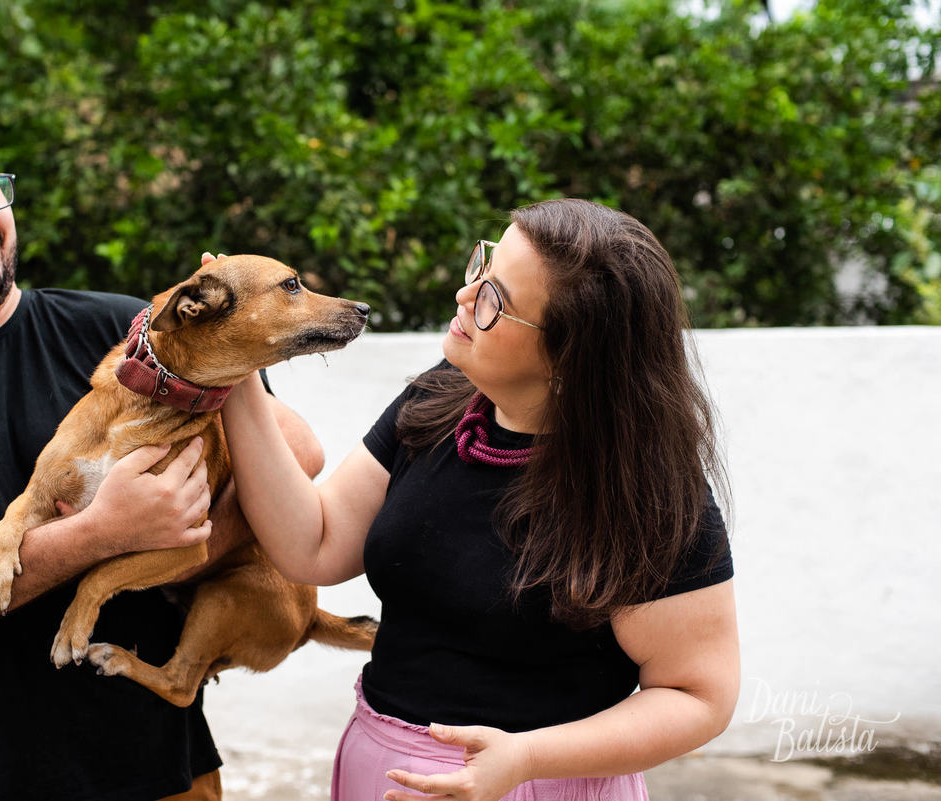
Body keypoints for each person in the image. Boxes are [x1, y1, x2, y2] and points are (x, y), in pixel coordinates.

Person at [0, 99, 323, 801]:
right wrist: (105, 534)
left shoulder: (122, 329)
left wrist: (190, 541)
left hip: (165, 770)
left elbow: (297, 451)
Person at [220, 198, 739, 801]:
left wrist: (526, 757)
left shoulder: (647, 495)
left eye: (498, 301)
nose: (467, 298)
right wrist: (228, 362)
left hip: (538, 785)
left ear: (572, 358)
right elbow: (316, 543)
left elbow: (698, 694)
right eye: (483, 268)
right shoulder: (441, 400)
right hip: (381, 769)